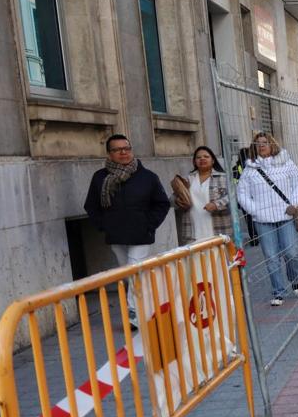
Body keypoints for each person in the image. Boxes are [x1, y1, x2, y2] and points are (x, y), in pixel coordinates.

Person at [84, 134, 171, 324]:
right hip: (116, 234)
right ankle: (143, 307)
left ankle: (134, 313)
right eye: (117, 149)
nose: (123, 152)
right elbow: (91, 206)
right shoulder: (100, 178)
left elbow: (162, 204)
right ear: (109, 154)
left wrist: (149, 225)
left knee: (134, 269)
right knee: (127, 273)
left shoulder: (147, 177)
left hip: (141, 234)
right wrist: (104, 225)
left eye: (127, 148)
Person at [237, 132, 298, 307]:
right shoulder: (249, 169)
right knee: (271, 257)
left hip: (285, 215)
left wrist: (293, 203)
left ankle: (295, 279)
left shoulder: (285, 162)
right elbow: (241, 193)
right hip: (263, 220)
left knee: (291, 253)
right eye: (258, 143)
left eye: (265, 142)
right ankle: (278, 292)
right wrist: (255, 210)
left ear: (272, 144)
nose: (261, 146)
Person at [172, 146, 232, 244]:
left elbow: (233, 197)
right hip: (193, 233)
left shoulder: (223, 177)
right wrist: (177, 200)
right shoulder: (187, 179)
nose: (202, 159)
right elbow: (172, 199)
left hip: (218, 230)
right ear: (194, 161)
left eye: (206, 156)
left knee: (218, 259)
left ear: (213, 160)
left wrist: (216, 205)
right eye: (198, 157)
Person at [232, 147, 259, 245]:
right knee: (258, 217)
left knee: (249, 219)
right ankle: (259, 236)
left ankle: (254, 239)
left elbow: (234, 183)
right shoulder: (254, 165)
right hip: (256, 195)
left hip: (243, 196)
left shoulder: (235, 168)